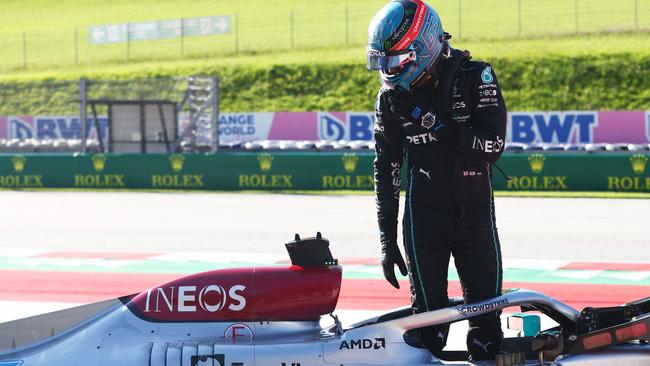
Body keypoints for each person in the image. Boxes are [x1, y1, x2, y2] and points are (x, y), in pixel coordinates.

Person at [367, 0, 507, 361]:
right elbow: (386, 168)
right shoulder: (390, 98)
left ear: (424, 46)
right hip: (423, 217)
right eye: (382, 62)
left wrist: (430, 121)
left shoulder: (477, 76)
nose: (390, 71)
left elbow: (492, 147)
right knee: (428, 333)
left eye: (396, 61)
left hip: (474, 213)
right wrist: (386, 238)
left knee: (487, 335)